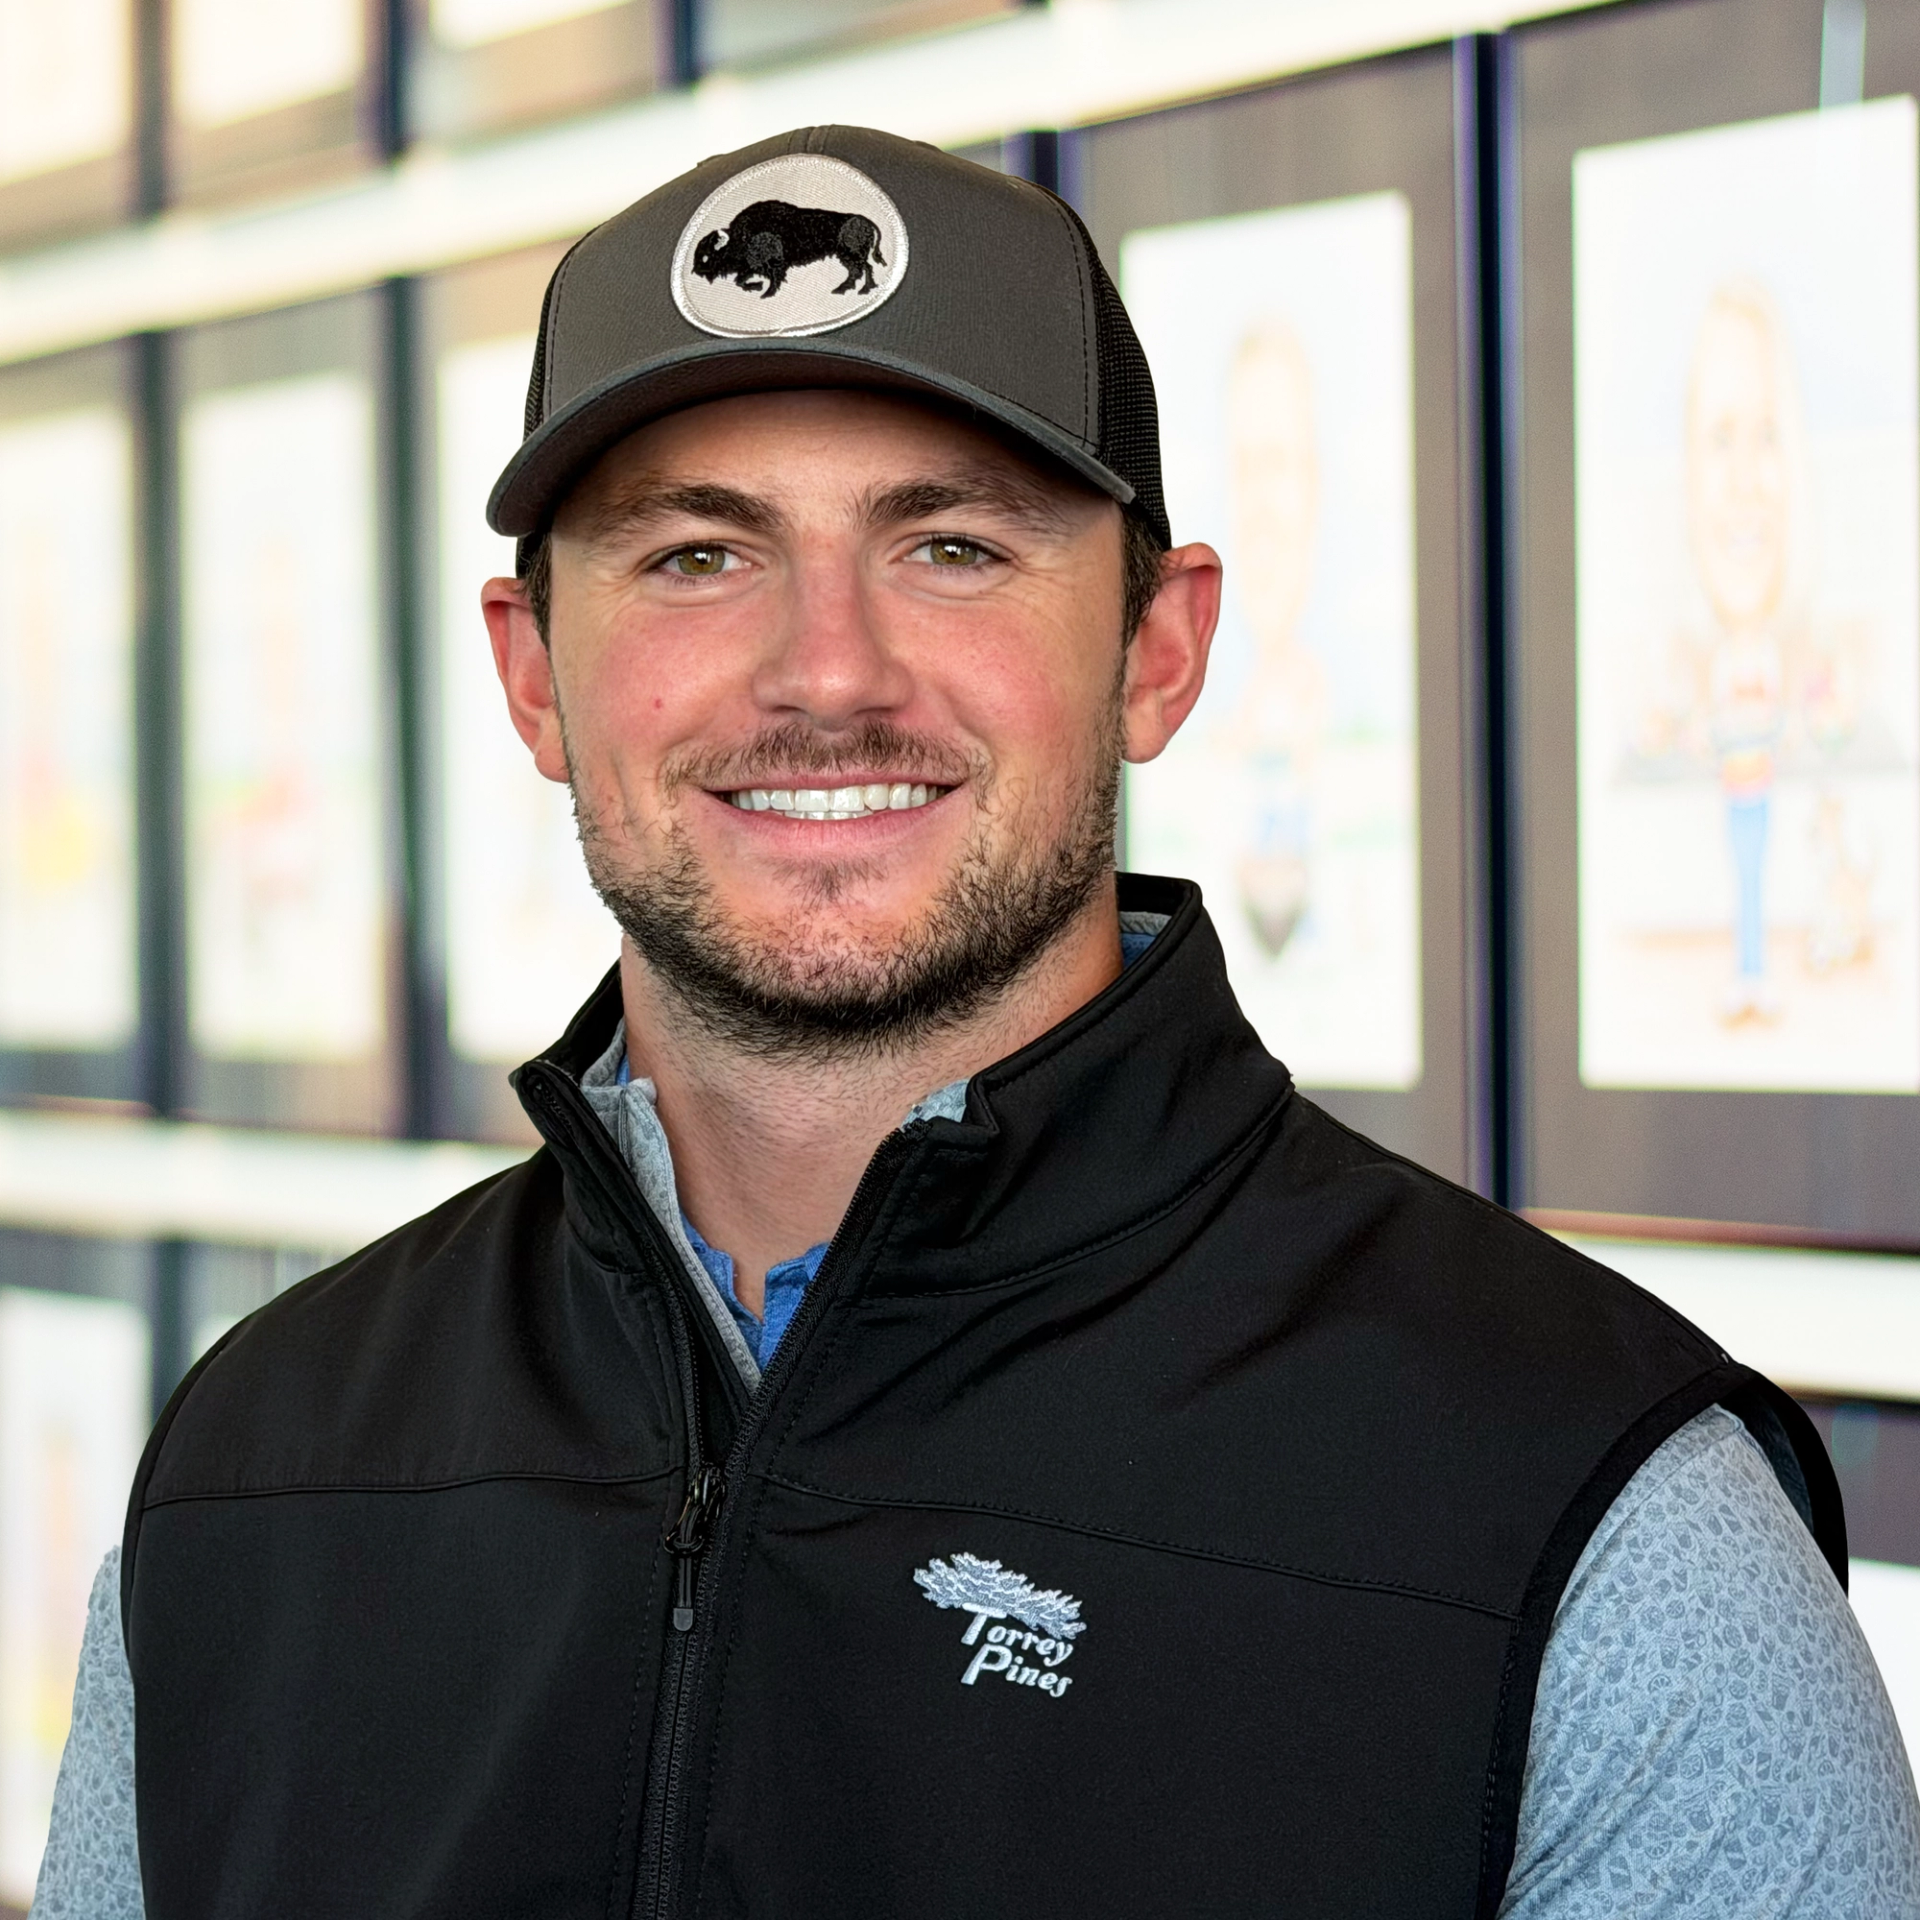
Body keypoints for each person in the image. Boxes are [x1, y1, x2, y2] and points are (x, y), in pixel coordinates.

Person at [33, 127, 1920, 1919]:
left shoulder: (1591, 1519)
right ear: (535, 675)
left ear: (1156, 650)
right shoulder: (250, 1480)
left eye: (953, 545)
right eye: (698, 552)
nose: (825, 670)